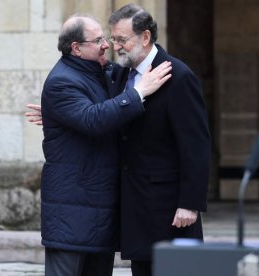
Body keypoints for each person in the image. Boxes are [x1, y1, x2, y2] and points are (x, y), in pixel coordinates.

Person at [40, 14, 171, 276]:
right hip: (72, 213)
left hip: (99, 211)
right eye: (98, 40)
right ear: (76, 48)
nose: (106, 45)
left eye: (107, 38)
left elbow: (138, 67)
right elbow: (93, 119)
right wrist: (138, 92)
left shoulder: (102, 73)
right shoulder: (61, 81)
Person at [107, 4, 211, 276]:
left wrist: (190, 202)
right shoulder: (121, 75)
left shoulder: (179, 77)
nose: (115, 46)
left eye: (122, 40)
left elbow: (196, 145)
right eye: (113, 39)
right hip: (136, 204)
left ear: (145, 37)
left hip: (169, 208)